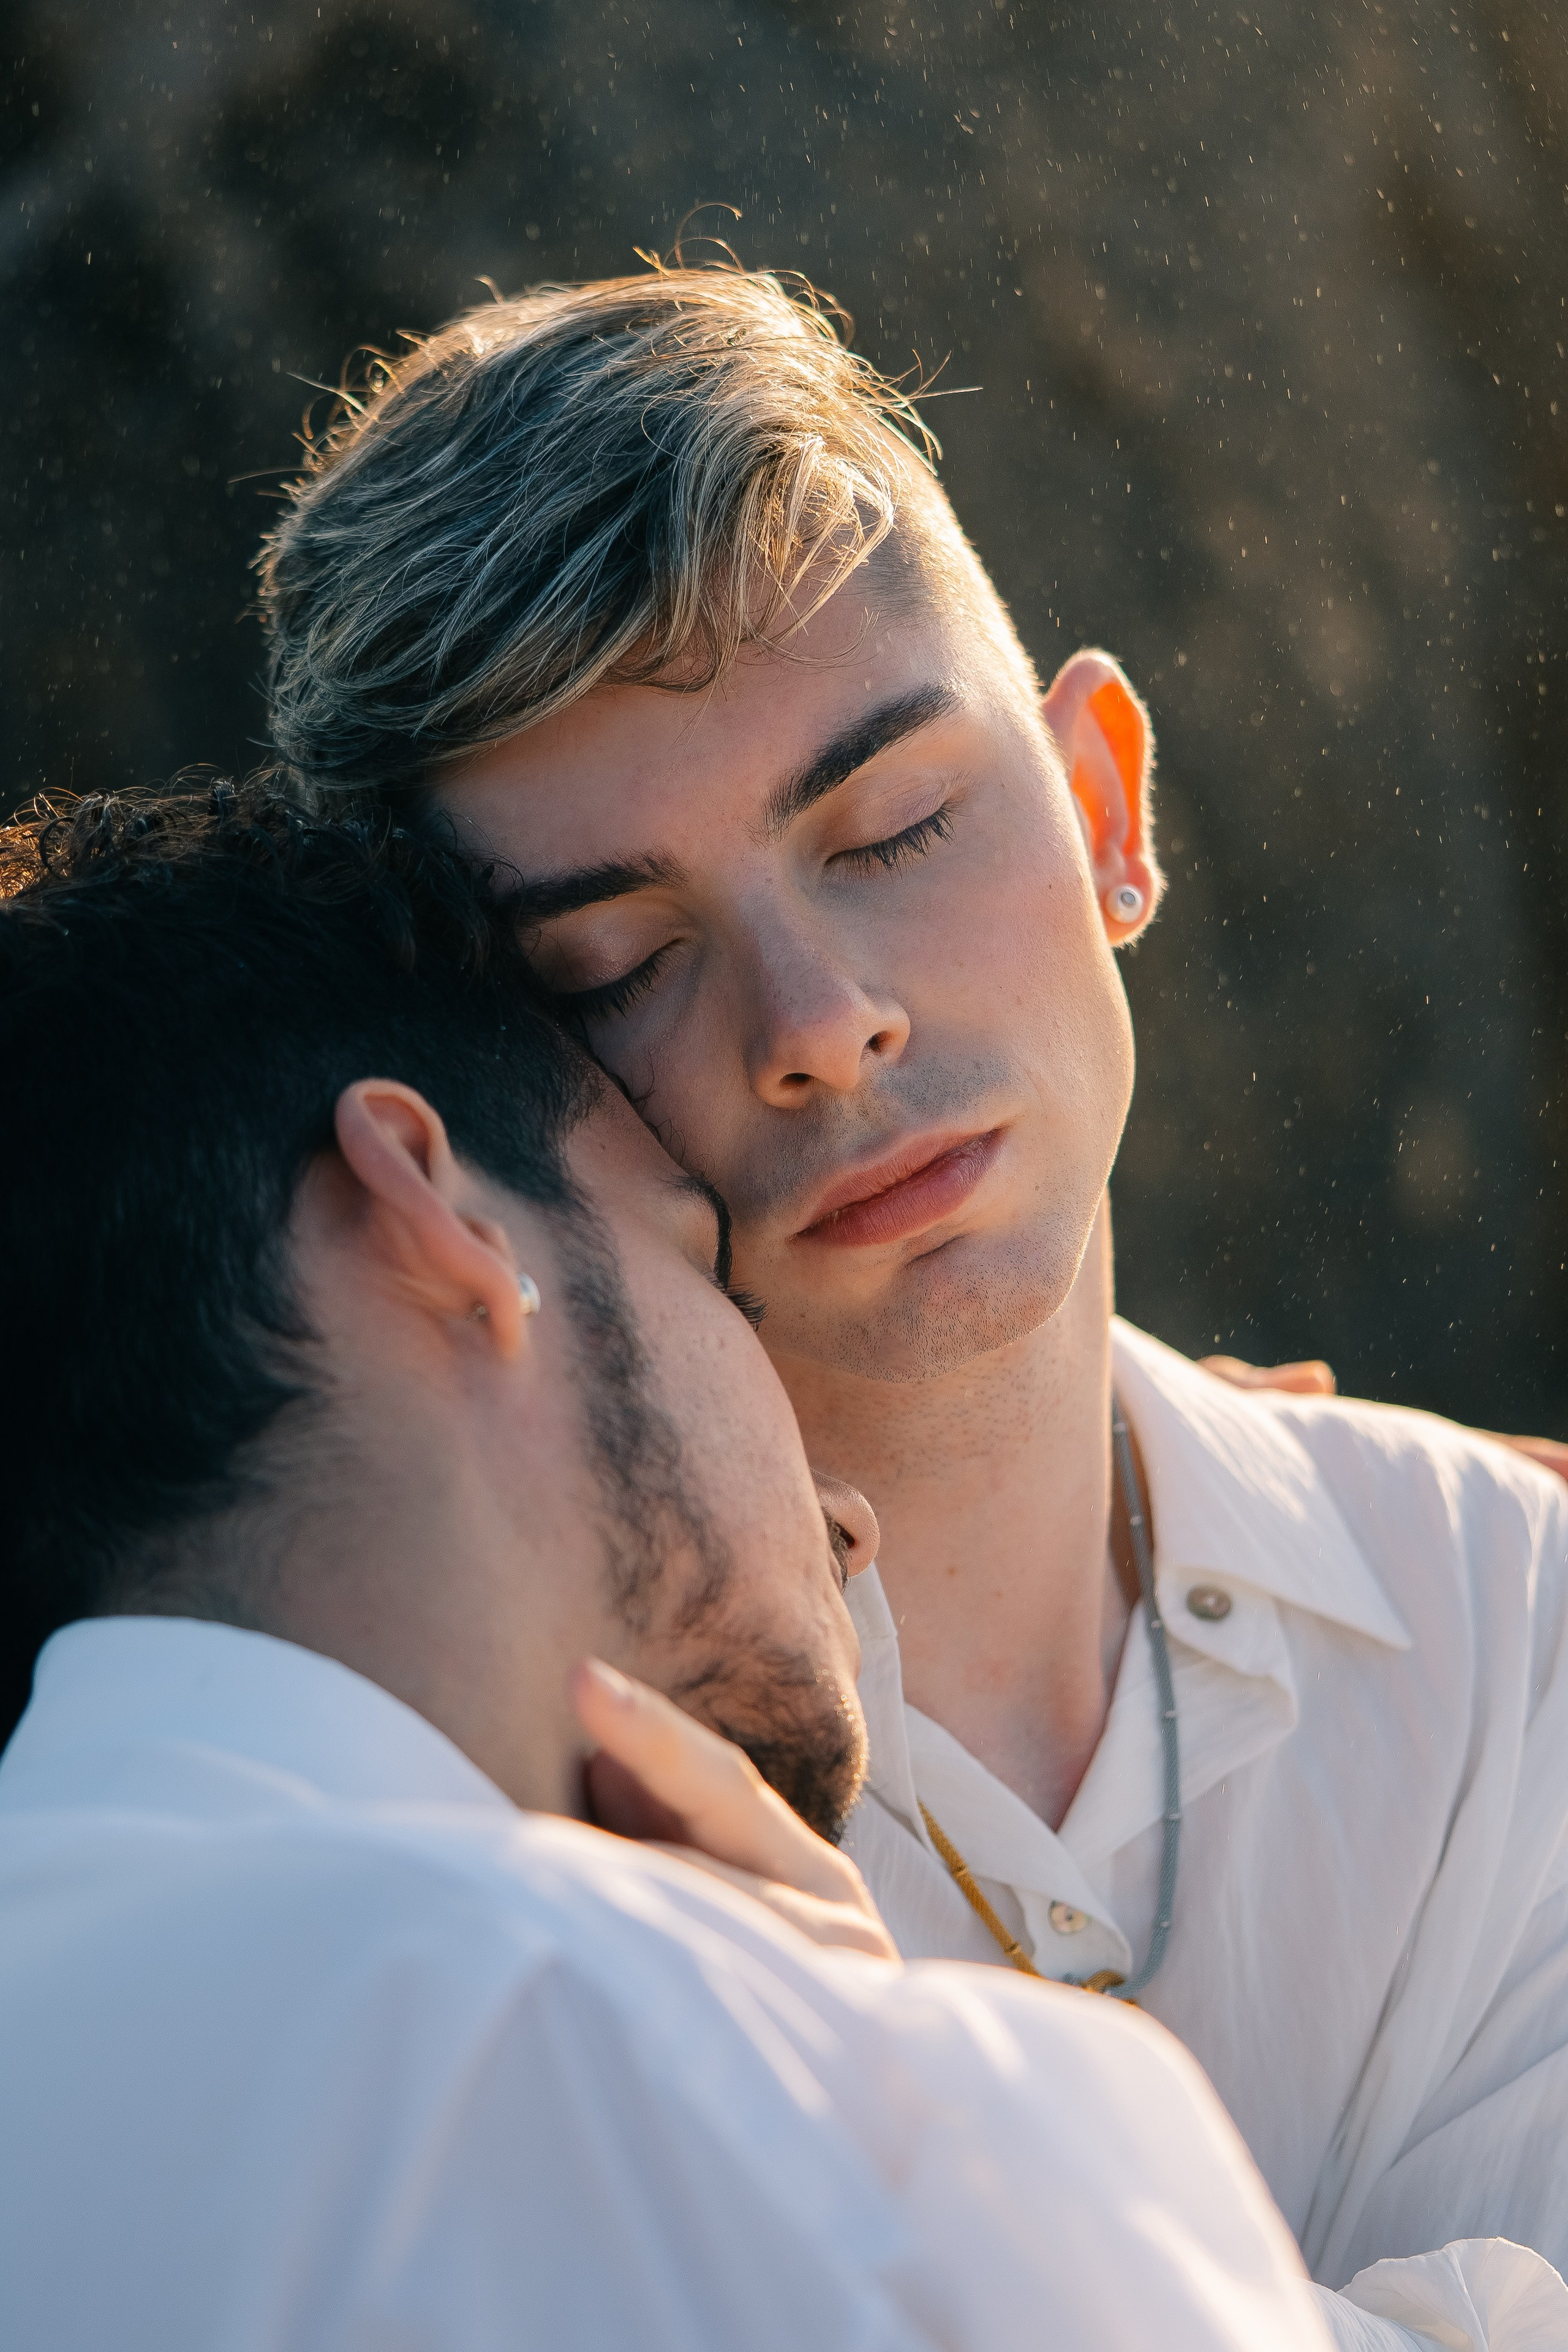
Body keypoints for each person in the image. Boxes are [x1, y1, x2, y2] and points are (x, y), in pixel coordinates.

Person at [255, 265, 1568, 2349]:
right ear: (478, 1116)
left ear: (1110, 810)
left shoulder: (1514, 1617)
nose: (823, 1025)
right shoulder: (464, 1804)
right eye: (616, 964)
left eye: (896, 826)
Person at [0, 780, 1348, 2351]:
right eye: (702, 1262)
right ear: (432, 1211)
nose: (843, 1512)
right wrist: (893, 2095)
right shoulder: (659, 2083)